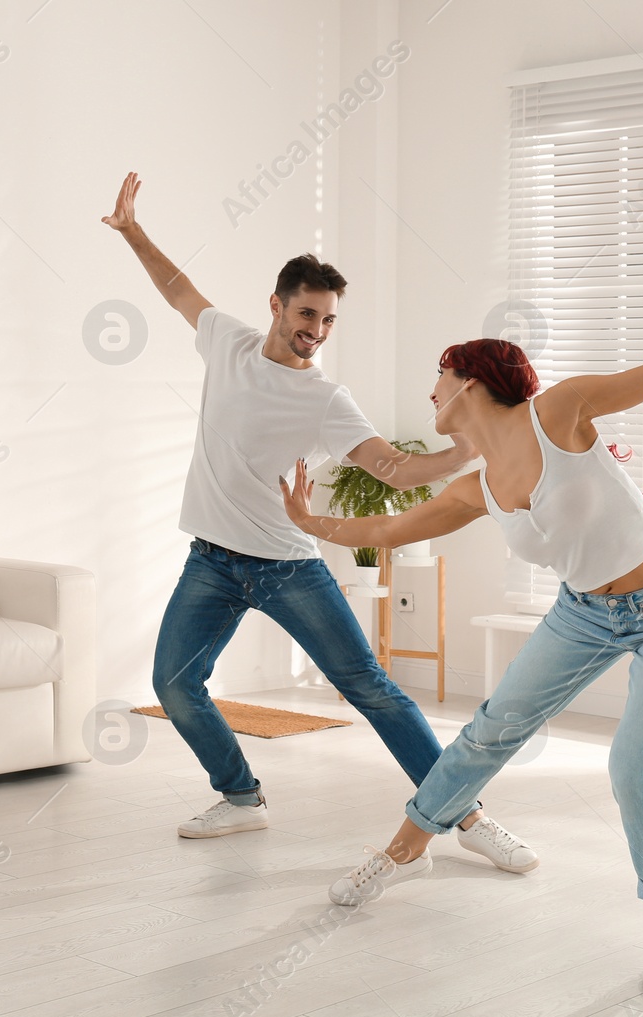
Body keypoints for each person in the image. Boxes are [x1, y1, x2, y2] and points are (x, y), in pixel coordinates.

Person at [280, 247, 643, 991]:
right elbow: (390, 531)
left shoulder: (559, 412)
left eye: (437, 378)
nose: (429, 394)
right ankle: (403, 850)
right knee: (491, 729)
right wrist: (311, 522)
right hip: (583, 614)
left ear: (468, 379)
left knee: (633, 766)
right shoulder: (477, 486)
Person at [100, 172, 535, 873]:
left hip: (284, 565)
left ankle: (468, 815)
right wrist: (132, 232)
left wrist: (463, 451)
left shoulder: (326, 397)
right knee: (175, 684)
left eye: (329, 320)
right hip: (210, 560)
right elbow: (177, 287)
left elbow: (392, 468)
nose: (316, 331)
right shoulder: (228, 344)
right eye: (307, 315)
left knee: (368, 686)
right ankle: (242, 797)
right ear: (276, 306)